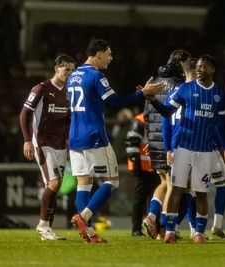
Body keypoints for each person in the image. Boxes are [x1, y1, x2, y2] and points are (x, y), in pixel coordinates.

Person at [67, 39, 165, 243]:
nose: (111, 59)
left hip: (75, 137)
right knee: (112, 181)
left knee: (83, 185)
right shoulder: (96, 75)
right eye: (109, 54)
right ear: (98, 54)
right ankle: (84, 218)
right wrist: (142, 93)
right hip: (94, 136)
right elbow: (115, 102)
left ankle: (90, 233)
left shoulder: (74, 75)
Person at [149, 55, 225, 244]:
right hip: (183, 147)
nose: (200, 69)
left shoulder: (219, 94)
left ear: (212, 69)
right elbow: (168, 112)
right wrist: (153, 101)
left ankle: (199, 233)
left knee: (202, 192)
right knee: (177, 189)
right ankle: (169, 230)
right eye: (198, 66)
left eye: (204, 66)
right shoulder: (185, 89)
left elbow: (220, 125)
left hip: (205, 151)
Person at [19, 54, 76, 240]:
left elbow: (69, 119)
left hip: (60, 144)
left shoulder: (70, 92)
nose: (69, 73)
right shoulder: (41, 89)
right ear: (56, 69)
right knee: (54, 183)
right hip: (43, 142)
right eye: (66, 69)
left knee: (55, 186)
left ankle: (48, 230)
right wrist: (27, 139)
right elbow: (24, 113)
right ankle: (43, 225)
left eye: (72, 70)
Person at [142, 49, 191, 239]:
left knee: (163, 182)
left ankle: (152, 215)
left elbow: (147, 112)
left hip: (154, 141)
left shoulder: (154, 82)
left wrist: (149, 137)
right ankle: (163, 228)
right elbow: (176, 115)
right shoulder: (180, 85)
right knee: (174, 186)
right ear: (181, 63)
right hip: (172, 139)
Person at [126, 112, 160, 237]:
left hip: (152, 166)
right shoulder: (140, 120)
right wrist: (136, 163)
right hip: (142, 166)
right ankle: (136, 229)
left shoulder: (143, 119)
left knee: (153, 199)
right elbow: (131, 143)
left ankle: (151, 229)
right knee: (141, 199)